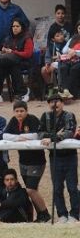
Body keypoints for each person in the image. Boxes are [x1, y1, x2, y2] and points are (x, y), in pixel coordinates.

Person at [2, 101, 50, 222]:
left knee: (30, 189)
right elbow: (5, 135)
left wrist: (20, 136)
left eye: (22, 111)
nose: (19, 113)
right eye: (17, 111)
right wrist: (19, 137)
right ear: (14, 112)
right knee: (32, 190)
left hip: (36, 161)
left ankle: (45, 214)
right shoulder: (13, 121)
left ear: (26, 111)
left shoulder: (32, 119)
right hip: (23, 161)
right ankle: (40, 215)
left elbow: (36, 135)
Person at [39, 90, 79, 223]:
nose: (54, 104)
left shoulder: (69, 115)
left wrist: (53, 137)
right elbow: (40, 134)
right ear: (48, 104)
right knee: (57, 187)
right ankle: (62, 214)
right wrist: (55, 135)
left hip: (70, 156)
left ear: (62, 103)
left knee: (72, 187)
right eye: (51, 102)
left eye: (57, 102)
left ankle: (75, 214)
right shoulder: (45, 116)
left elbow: (69, 132)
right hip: (55, 156)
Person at [0, 18, 33, 102]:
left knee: (14, 66)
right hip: (10, 61)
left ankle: (22, 93)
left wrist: (13, 52)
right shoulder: (8, 38)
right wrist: (4, 51)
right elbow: (5, 53)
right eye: (13, 26)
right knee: (1, 66)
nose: (15, 28)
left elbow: (28, 54)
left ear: (22, 27)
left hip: (24, 62)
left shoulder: (27, 38)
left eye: (17, 26)